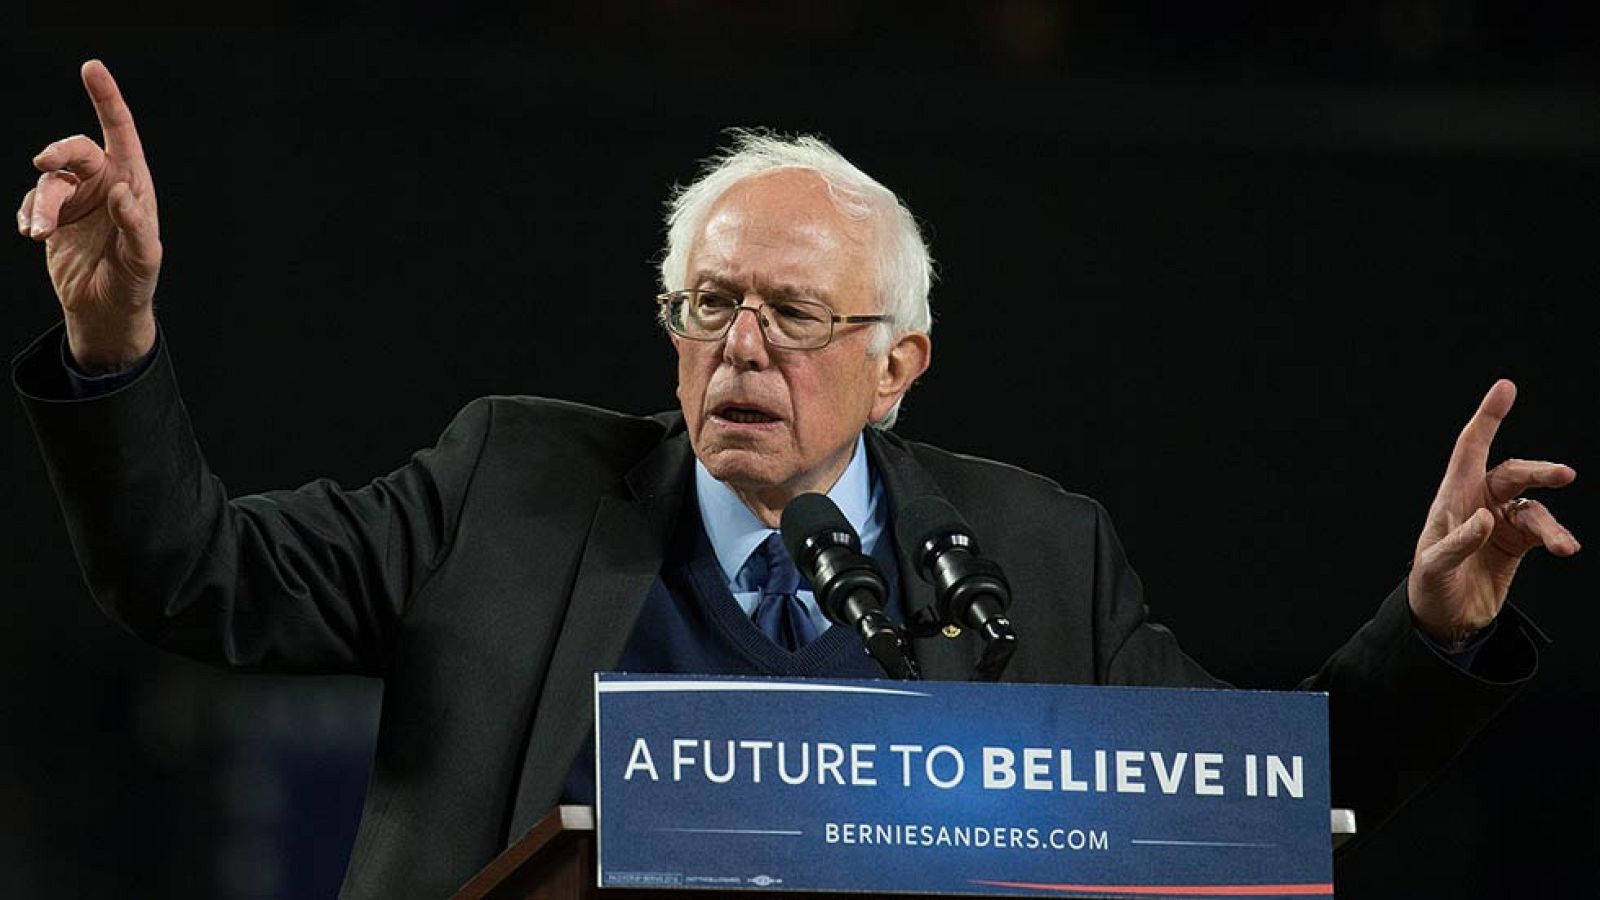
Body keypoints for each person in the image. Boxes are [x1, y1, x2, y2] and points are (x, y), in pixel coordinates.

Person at [13, 61, 1580, 898]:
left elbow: (1244, 802)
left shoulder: (1035, 555)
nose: (743, 347)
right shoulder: (509, 487)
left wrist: (1432, 629)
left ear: (899, 364)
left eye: (796, 315)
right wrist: (114, 341)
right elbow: (190, 575)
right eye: (710, 306)